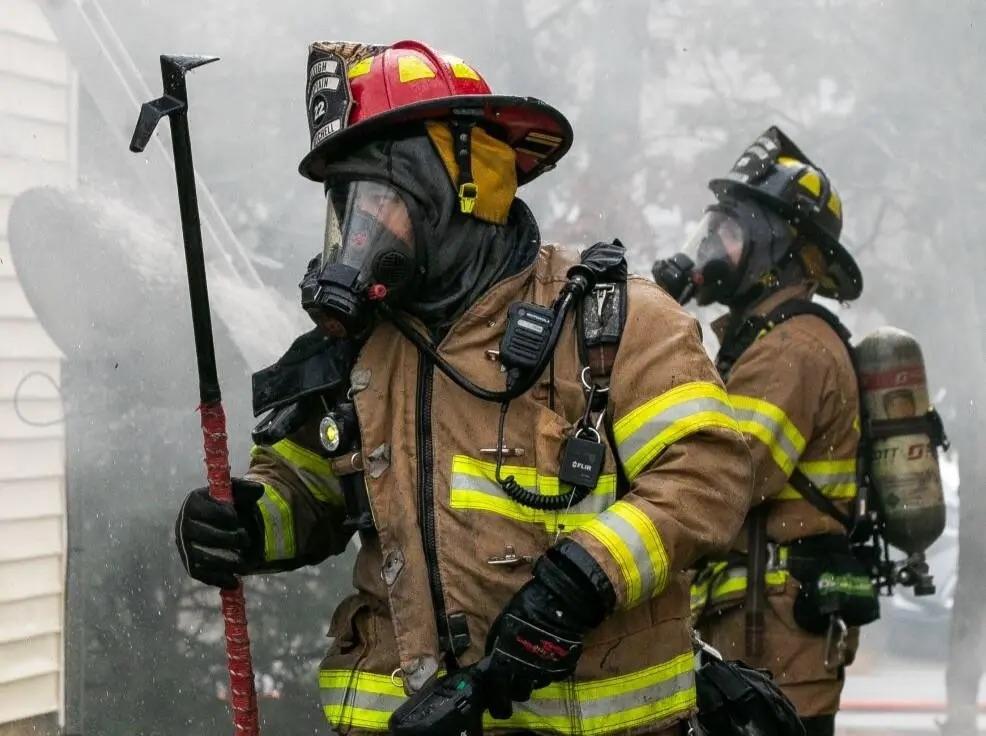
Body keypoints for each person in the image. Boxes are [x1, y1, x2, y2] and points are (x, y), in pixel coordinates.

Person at [175, 39, 752, 735]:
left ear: (456, 191)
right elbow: (307, 487)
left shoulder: (618, 323)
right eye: (344, 208)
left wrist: (579, 583)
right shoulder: (358, 348)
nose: (356, 234)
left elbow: (708, 478)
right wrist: (246, 521)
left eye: (377, 202)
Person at [656, 127, 870, 736]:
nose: (710, 247)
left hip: (776, 650)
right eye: (713, 228)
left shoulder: (790, 351)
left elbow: (725, 477)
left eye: (730, 232)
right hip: (760, 641)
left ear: (777, 248)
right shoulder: (762, 345)